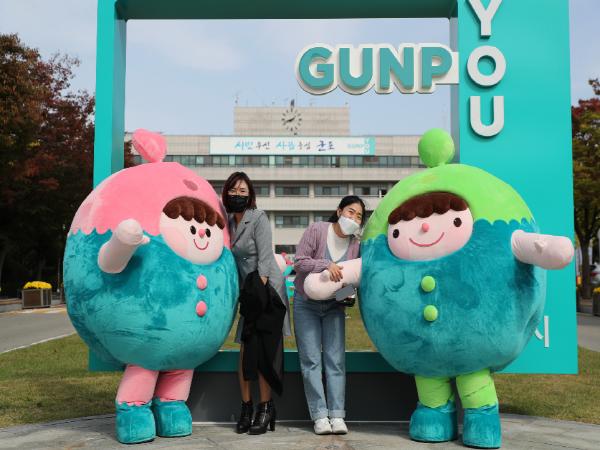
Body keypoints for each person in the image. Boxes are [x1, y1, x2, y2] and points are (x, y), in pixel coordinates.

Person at [222, 172, 291, 435]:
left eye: (243, 191)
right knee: (244, 352)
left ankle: (265, 408)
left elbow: (264, 260)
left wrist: (257, 297)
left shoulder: (258, 217)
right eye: (233, 190)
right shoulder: (228, 221)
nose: (237, 195)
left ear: (250, 195)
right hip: (249, 294)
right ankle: (246, 407)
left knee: (264, 354)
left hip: (266, 293)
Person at [293, 195, 366, 435]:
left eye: (359, 216)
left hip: (334, 307)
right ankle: (320, 416)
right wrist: (325, 264)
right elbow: (299, 262)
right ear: (339, 210)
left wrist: (347, 295)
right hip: (306, 305)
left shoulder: (355, 245)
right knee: (311, 360)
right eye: (350, 211)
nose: (353, 218)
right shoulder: (317, 230)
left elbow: (351, 280)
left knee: (335, 360)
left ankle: (337, 415)